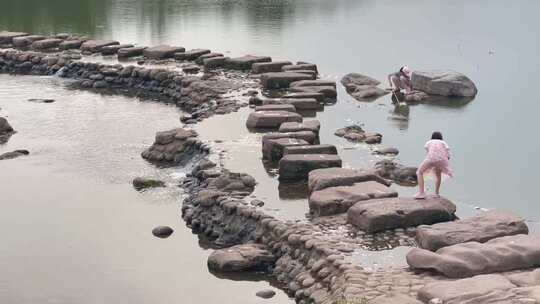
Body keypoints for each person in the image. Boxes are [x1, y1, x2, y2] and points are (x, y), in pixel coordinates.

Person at [415, 131, 453, 199]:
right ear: (441, 137)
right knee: (438, 175)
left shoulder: (429, 142)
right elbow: (448, 155)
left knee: (419, 172)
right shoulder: (443, 142)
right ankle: (436, 193)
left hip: (431, 158)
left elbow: (429, 152)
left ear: (432, 137)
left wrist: (431, 164)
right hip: (442, 160)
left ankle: (421, 193)